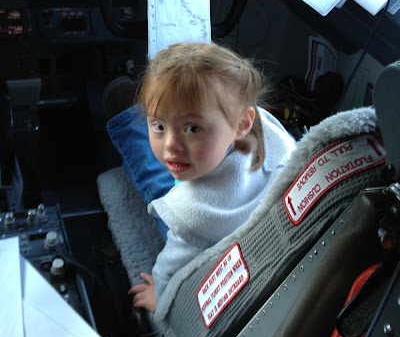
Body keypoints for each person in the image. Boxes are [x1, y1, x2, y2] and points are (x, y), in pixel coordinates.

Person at [105, 41, 296, 313]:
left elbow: (170, 266)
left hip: (207, 243)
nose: (171, 145)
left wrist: (158, 295)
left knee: (157, 183)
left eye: (193, 128)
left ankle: (125, 118)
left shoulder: (192, 215)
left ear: (242, 124)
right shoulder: (268, 130)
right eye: (158, 125)